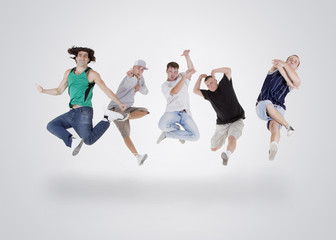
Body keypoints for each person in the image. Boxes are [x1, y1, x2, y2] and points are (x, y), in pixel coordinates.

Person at [36, 46, 127, 156]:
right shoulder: (68, 73)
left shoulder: (92, 74)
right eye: (80, 55)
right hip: (72, 112)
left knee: (88, 140)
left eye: (85, 56)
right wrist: (43, 91)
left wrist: (119, 103)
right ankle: (72, 141)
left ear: (88, 59)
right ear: (76, 58)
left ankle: (107, 119)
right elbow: (59, 91)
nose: (82, 58)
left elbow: (106, 90)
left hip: (84, 112)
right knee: (52, 125)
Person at [193, 67, 245, 165]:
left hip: (236, 120)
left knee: (232, 138)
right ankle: (225, 136)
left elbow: (229, 70)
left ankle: (227, 155)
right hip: (222, 124)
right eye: (207, 85)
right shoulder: (209, 94)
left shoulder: (225, 85)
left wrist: (215, 71)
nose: (210, 86)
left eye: (211, 83)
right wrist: (199, 78)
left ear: (215, 80)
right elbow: (195, 91)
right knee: (213, 148)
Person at [256, 55, 301, 160]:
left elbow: (297, 81)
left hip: (279, 107)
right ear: (285, 61)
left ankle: (273, 146)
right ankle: (288, 126)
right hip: (263, 104)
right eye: (290, 59)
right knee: (268, 103)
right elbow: (277, 66)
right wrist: (283, 67)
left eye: (295, 61)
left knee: (274, 126)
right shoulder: (274, 69)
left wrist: (285, 66)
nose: (293, 61)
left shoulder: (295, 81)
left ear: (297, 68)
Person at [107, 60, 149, 166]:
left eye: (142, 69)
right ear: (133, 68)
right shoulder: (129, 78)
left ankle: (125, 117)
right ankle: (137, 156)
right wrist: (131, 77)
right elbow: (128, 84)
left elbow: (146, 92)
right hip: (115, 108)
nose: (140, 71)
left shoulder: (141, 78)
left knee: (145, 111)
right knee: (125, 135)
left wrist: (140, 87)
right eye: (138, 68)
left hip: (127, 109)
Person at [157, 50, 199, 144]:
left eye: (175, 71)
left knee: (195, 136)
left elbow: (191, 69)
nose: (173, 74)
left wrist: (187, 56)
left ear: (178, 72)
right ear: (166, 71)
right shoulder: (165, 85)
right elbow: (175, 91)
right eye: (171, 71)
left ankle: (168, 135)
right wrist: (184, 77)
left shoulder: (181, 76)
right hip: (172, 112)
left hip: (185, 113)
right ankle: (176, 128)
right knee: (162, 126)